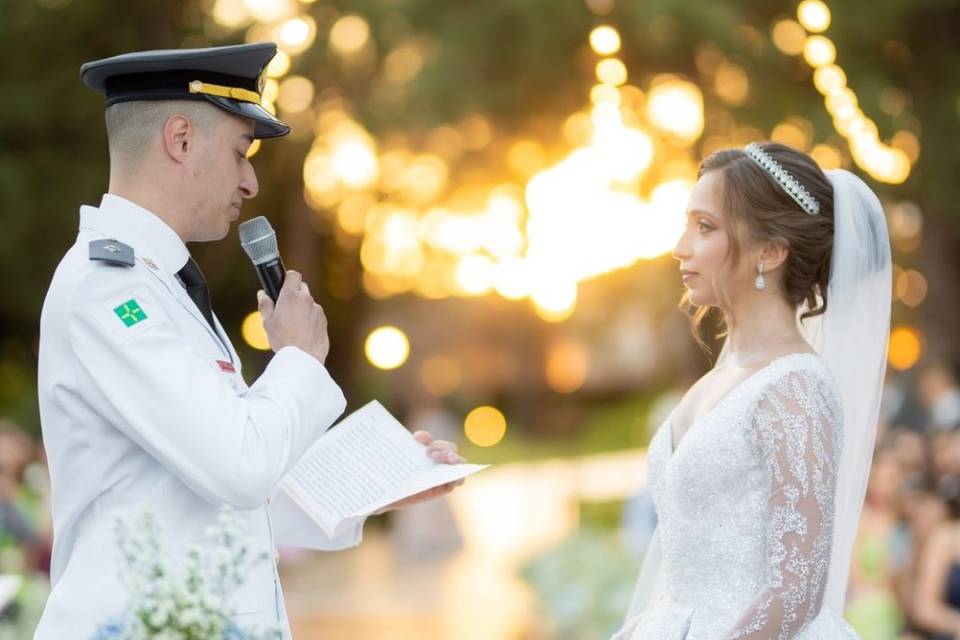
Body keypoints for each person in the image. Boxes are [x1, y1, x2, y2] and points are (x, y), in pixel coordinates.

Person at [35, 42, 465, 639]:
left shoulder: (160, 286)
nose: (251, 181)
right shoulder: (106, 290)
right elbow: (239, 464)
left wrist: (378, 483)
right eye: (241, 153)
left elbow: (222, 500)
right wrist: (294, 359)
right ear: (180, 139)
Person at [614, 142, 892, 639]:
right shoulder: (715, 379)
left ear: (770, 251)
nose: (681, 247)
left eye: (705, 227)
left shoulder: (795, 389)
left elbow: (797, 591)